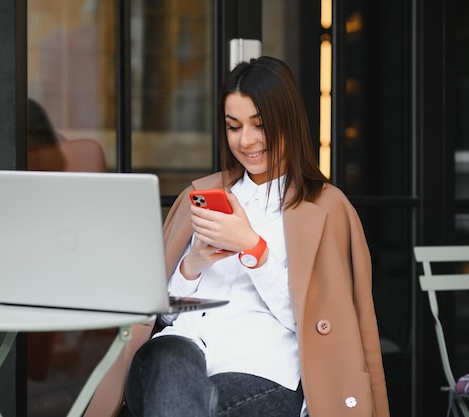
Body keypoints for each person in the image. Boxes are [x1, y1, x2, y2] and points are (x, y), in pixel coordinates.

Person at [84, 56, 390, 417]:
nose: (246, 141)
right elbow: (158, 312)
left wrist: (254, 249)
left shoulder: (325, 208)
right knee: (168, 365)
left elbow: (315, 322)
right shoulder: (199, 196)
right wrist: (193, 264)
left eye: (259, 125)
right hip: (181, 353)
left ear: (287, 122)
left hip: (261, 367)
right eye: (233, 126)